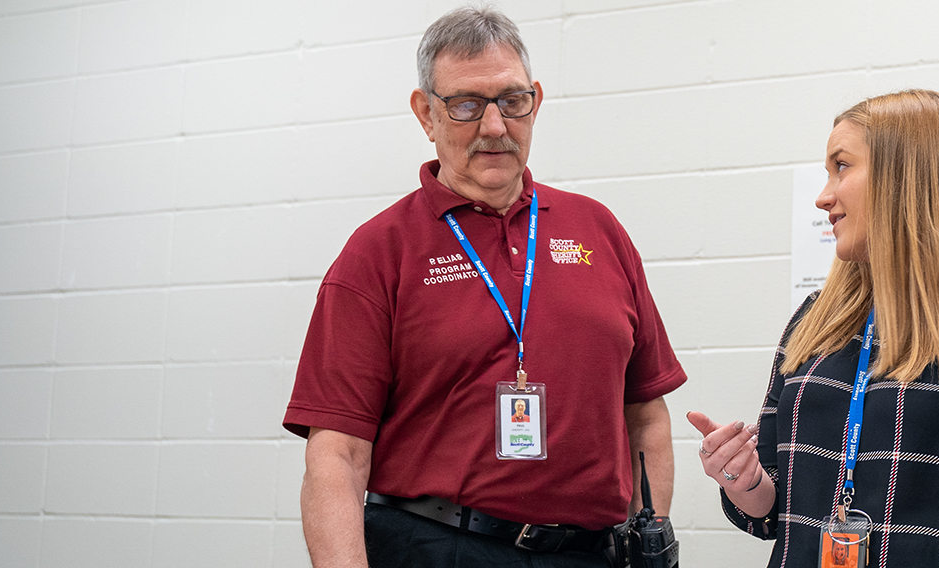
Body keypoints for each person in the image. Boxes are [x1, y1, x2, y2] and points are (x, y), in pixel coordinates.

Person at [282, 6, 686, 568]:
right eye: (467, 105)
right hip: (435, 545)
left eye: (512, 102)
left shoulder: (599, 229)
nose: (495, 127)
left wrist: (651, 537)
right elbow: (337, 456)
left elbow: (646, 412)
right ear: (426, 113)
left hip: (595, 552)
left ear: (536, 101)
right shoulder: (378, 252)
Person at [689, 90, 939, 568]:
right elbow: (771, 517)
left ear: (905, 177)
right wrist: (743, 480)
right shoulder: (816, 320)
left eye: (842, 167)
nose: (823, 196)